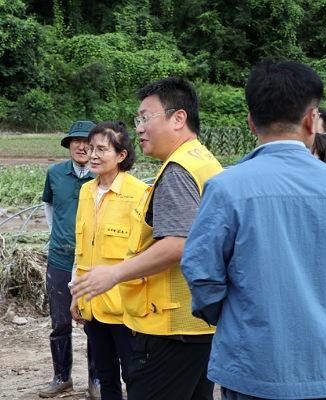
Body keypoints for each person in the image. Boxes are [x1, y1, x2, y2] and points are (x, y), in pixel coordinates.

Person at [182, 60, 326, 399]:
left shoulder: (226, 187)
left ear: (250, 122)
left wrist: (239, 318)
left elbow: (201, 272)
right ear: (311, 120)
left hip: (251, 366)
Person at [71, 77, 223, 399]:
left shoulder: (178, 170)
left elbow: (178, 243)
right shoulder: (204, 161)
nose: (139, 127)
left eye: (145, 117)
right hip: (198, 325)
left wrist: (114, 273)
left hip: (169, 327)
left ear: (178, 118)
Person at [70, 121, 148, 399]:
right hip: (93, 303)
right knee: (105, 376)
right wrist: (76, 294)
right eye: (91, 149)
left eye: (102, 149)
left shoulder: (139, 193)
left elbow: (144, 252)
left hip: (125, 308)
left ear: (121, 155)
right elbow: (82, 250)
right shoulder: (86, 192)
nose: (93, 155)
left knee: (134, 375)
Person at [39, 121, 99, 398]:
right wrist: (59, 235)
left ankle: (96, 381)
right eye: (75, 141)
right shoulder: (55, 174)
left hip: (94, 261)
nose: (81, 145)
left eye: (87, 140)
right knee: (60, 321)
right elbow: (48, 206)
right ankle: (62, 377)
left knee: (95, 322)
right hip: (61, 259)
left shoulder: (102, 175)